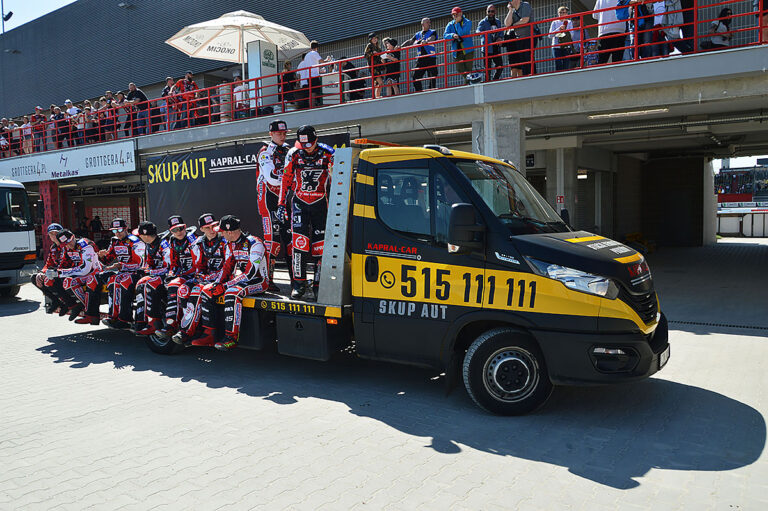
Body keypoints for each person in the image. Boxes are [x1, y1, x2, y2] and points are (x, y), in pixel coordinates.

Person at [277, 125, 333, 300]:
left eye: (309, 144)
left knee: (320, 247)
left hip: (320, 203)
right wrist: (281, 204)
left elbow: (338, 179)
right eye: (303, 145)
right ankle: (298, 284)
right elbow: (286, 179)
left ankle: (318, 284)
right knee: (299, 245)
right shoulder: (293, 153)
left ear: (316, 140)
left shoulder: (328, 153)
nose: (307, 148)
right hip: (300, 203)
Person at [213, 214, 269, 351]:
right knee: (212, 290)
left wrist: (226, 285)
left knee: (232, 293)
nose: (221, 234)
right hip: (244, 280)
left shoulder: (255, 243)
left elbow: (250, 273)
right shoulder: (230, 244)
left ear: (229, 232)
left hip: (260, 281)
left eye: (222, 232)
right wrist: (217, 283)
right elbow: (227, 267)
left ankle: (231, 338)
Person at [171, 213, 228, 346]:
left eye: (214, 226)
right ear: (201, 229)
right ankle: (193, 329)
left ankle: (189, 332)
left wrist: (207, 278)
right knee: (183, 290)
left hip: (223, 279)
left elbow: (229, 268)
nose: (212, 230)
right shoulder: (198, 243)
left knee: (197, 290)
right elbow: (199, 267)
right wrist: (202, 276)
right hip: (206, 279)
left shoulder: (225, 241)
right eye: (207, 227)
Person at [82, 218, 142, 327]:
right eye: (114, 231)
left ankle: (122, 318)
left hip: (135, 272)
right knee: (94, 278)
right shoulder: (114, 241)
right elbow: (107, 260)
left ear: (126, 228)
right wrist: (101, 256)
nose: (117, 233)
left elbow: (140, 264)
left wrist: (121, 265)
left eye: (119, 230)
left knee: (115, 280)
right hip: (121, 271)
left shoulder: (134, 241)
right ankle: (92, 315)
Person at [257, 120, 292, 290]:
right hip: (268, 199)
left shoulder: (289, 149)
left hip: (283, 198)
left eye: (284, 133)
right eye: (279, 133)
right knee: (273, 241)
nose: (282, 136)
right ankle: (267, 280)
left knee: (291, 240)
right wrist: (288, 178)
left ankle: (297, 281)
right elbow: (271, 178)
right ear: (271, 134)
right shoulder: (265, 151)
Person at [156, 215, 198, 339]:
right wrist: (171, 275)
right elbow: (174, 264)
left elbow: (200, 263)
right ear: (171, 231)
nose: (179, 232)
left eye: (181, 228)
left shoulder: (194, 239)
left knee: (180, 289)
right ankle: (171, 325)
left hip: (197, 275)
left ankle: (184, 328)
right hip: (183, 275)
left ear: (185, 227)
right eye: (175, 230)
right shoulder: (172, 242)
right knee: (172, 286)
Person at [132, 221, 171, 336]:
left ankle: (154, 322)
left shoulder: (164, 244)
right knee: (140, 284)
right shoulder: (149, 245)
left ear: (145, 235)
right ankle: (141, 321)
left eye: (140, 235)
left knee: (149, 285)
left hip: (169, 275)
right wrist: (146, 270)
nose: (139, 237)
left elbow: (169, 267)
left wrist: (150, 271)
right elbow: (149, 265)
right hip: (157, 275)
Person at [56, 230, 103, 322]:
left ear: (73, 237)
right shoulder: (66, 248)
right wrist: (54, 272)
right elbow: (63, 265)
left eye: (69, 242)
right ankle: (83, 307)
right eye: (65, 244)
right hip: (82, 274)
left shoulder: (85, 245)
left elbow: (85, 269)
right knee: (65, 281)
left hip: (95, 272)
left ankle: (90, 312)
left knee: (83, 281)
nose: (68, 245)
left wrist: (61, 272)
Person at [30, 223, 65, 314]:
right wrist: (42, 273)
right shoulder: (53, 248)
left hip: (66, 273)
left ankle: (67, 303)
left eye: (56, 233)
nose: (54, 236)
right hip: (56, 272)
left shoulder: (66, 246)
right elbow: (49, 264)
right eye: (51, 234)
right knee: (35, 277)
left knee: (52, 279)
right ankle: (56, 301)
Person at [401, 18, 438, 92]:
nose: (429, 24)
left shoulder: (433, 32)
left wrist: (426, 41)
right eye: (427, 22)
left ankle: (432, 90)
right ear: (422, 24)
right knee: (415, 75)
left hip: (430, 57)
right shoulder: (418, 34)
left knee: (432, 75)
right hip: (420, 58)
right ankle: (419, 91)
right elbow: (410, 41)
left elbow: (432, 38)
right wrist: (400, 46)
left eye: (429, 22)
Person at [505, 0, 536, 77]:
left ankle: (532, 75)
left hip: (529, 37)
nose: (509, 2)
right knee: (522, 60)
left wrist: (513, 25)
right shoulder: (513, 11)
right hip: (519, 38)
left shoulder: (525, 5)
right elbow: (507, 24)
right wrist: (510, 10)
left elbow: (525, 20)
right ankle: (526, 76)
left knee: (528, 57)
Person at [444, 7, 475, 83]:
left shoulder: (467, 22)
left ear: (461, 13)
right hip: (457, 51)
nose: (454, 16)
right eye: (453, 15)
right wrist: (452, 35)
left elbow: (462, 33)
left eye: (456, 14)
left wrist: (457, 23)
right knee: (459, 68)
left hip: (468, 50)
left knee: (468, 69)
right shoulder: (450, 24)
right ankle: (470, 81)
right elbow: (445, 35)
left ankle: (468, 83)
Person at [478, 5, 506, 80]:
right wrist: (484, 34)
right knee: (487, 69)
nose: (490, 13)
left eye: (492, 11)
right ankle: (488, 82)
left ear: (495, 12)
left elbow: (501, 32)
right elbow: (478, 31)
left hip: (496, 47)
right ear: (486, 12)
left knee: (500, 66)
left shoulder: (498, 21)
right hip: (487, 48)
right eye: (489, 11)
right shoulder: (483, 22)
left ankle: (494, 80)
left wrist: (500, 38)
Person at [549, 6, 574, 71]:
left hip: (566, 46)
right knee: (558, 65)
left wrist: (564, 32)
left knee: (566, 65)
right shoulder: (554, 22)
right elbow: (550, 35)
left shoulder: (569, 22)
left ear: (567, 14)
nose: (562, 14)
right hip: (556, 46)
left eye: (564, 12)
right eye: (560, 12)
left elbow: (572, 34)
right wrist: (559, 29)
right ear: (558, 13)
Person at [364, 33, 385, 99]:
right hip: (373, 66)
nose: (375, 39)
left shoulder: (378, 47)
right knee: (380, 82)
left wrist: (382, 59)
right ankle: (377, 96)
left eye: (375, 38)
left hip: (378, 66)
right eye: (373, 39)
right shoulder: (369, 45)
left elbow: (380, 56)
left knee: (378, 83)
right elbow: (365, 55)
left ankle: (377, 96)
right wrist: (372, 53)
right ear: (370, 40)